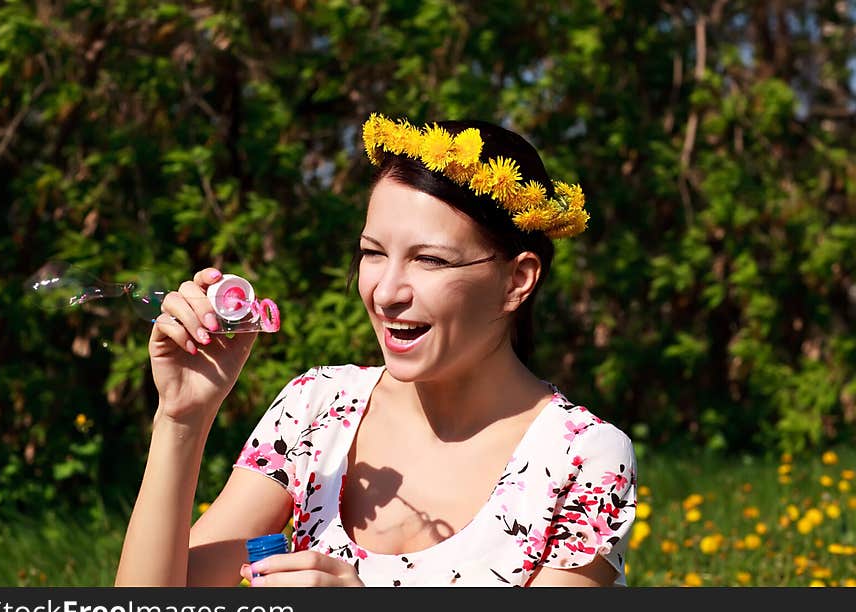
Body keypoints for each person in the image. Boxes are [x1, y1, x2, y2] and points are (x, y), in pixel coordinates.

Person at [114, 114, 638, 587]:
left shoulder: (582, 459)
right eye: (372, 253)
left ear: (517, 281)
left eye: (429, 260)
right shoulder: (316, 410)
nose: (386, 292)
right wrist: (181, 418)